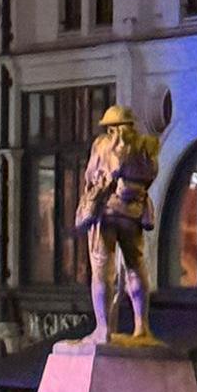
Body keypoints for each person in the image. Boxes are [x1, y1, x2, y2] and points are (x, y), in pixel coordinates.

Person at [73, 104, 161, 344]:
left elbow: (91, 175)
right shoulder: (146, 147)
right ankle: (141, 327)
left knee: (102, 269)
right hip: (133, 213)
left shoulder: (103, 145)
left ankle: (103, 330)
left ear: (110, 128)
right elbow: (152, 174)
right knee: (136, 265)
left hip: (106, 212)